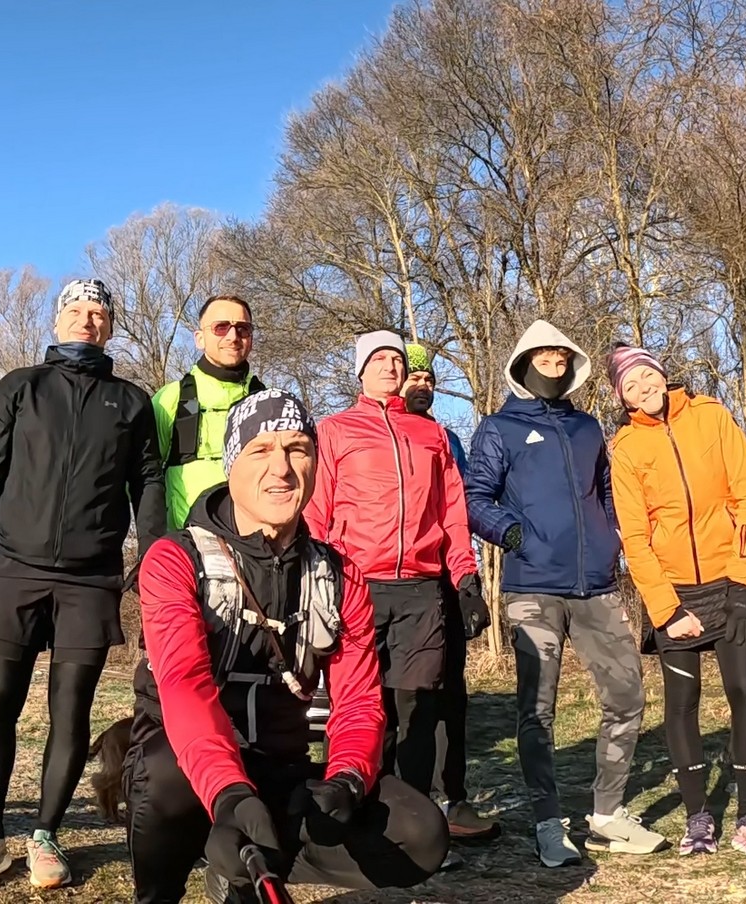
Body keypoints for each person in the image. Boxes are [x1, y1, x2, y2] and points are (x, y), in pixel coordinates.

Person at [128, 388, 448, 903]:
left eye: (297, 449)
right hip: (186, 761)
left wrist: (347, 778)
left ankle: (251, 864)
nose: (281, 468)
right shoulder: (174, 559)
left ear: (315, 465)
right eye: (260, 450)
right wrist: (228, 793)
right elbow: (184, 685)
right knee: (165, 779)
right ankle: (164, 887)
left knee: (421, 834)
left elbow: (360, 702)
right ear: (231, 464)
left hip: (281, 763)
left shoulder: (341, 574)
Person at [0, 278, 167, 890]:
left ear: (110, 326)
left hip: (91, 580)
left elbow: (148, 484)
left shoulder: (131, 402)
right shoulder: (21, 387)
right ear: (58, 319)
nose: (87, 321)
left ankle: (46, 835)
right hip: (16, 568)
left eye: (99, 313)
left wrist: (153, 558)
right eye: (77, 310)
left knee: (71, 712)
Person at [465, 323, 665, 867]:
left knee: (627, 696)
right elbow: (475, 497)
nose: (554, 365)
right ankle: (548, 824)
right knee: (538, 710)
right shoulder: (500, 428)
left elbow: (607, 491)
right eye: (544, 358)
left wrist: (614, 540)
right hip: (533, 587)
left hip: (596, 585)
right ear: (524, 363)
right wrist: (514, 534)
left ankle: (607, 814)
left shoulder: (587, 427)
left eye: (561, 358)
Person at [605, 343, 746, 858]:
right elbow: (635, 537)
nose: (644, 389)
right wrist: (666, 610)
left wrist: (745, 583)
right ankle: (698, 819)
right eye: (631, 386)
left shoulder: (711, 416)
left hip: (730, 582)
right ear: (623, 398)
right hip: (674, 591)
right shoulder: (626, 449)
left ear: (663, 376)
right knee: (682, 704)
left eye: (648, 377)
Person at [303, 330, 486, 799]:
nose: (390, 367)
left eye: (397, 360)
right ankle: (353, 806)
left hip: (421, 590)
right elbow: (317, 513)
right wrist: (314, 579)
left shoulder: (433, 436)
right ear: (361, 371)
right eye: (379, 360)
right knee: (361, 705)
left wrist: (466, 578)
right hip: (355, 585)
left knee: (417, 707)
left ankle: (413, 813)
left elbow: (452, 514)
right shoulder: (334, 431)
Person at [399, 343, 501, 845]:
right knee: (402, 702)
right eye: (413, 378)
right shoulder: (373, 435)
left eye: (430, 380)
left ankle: (452, 799)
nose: (423, 386)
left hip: (448, 581)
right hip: (397, 586)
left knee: (451, 698)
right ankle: (396, 805)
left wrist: (468, 582)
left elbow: (460, 511)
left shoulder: (448, 440)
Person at [151, 294, 263, 530]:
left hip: (256, 539)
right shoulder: (171, 398)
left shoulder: (266, 401)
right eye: (221, 327)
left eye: (243, 329)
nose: (233, 337)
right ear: (199, 338)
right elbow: (143, 475)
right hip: (187, 541)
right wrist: (154, 539)